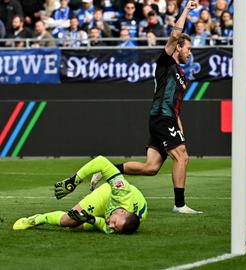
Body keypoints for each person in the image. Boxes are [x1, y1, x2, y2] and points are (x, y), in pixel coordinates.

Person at [112, 0, 202, 214]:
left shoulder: (182, 76)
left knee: (151, 168)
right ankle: (179, 205)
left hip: (168, 118)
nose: (189, 53)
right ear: (178, 47)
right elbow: (174, 34)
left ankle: (110, 171)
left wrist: (179, 128)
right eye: (187, 48)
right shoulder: (166, 62)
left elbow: (177, 107)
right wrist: (186, 10)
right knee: (183, 157)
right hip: (162, 117)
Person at [13, 155, 147, 234]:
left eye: (114, 228)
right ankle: (36, 219)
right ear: (123, 212)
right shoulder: (122, 192)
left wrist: (92, 220)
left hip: (117, 208)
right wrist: (74, 180)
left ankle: (86, 219)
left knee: (75, 227)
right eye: (114, 223)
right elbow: (101, 161)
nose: (111, 225)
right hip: (108, 194)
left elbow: (105, 226)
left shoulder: (120, 227)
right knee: (68, 221)